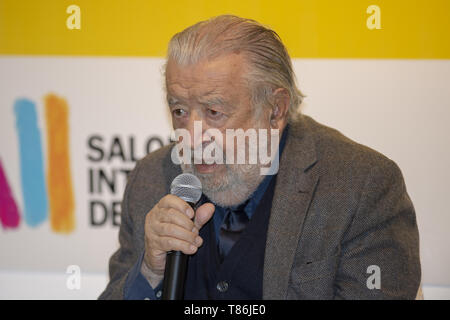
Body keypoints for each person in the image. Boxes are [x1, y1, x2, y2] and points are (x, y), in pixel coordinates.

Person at [99, 15, 421, 300]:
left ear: (275, 110)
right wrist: (151, 273)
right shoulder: (151, 178)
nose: (192, 136)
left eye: (214, 111)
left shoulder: (362, 187)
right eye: (180, 111)